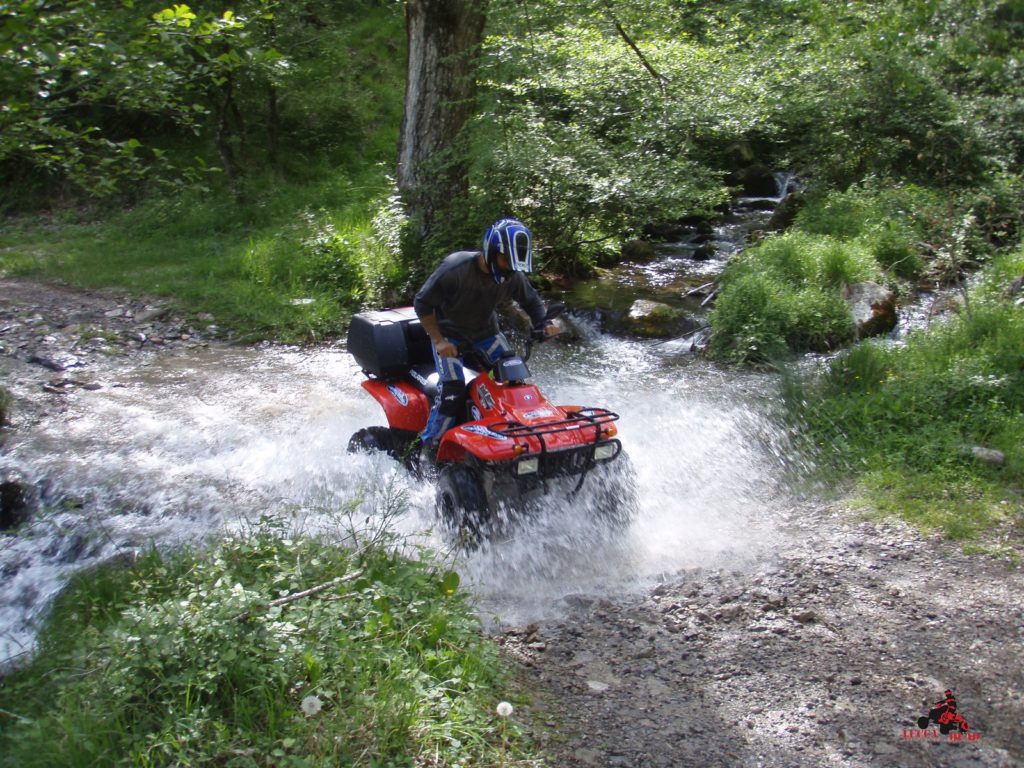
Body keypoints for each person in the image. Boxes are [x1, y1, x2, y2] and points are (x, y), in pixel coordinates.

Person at [413, 218, 556, 454]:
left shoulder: (511, 276)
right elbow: (422, 303)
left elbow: (530, 300)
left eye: (513, 262)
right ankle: (428, 447)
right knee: (452, 389)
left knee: (514, 377)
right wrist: (439, 340)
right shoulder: (455, 269)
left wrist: (544, 323)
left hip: (486, 333)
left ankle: (514, 437)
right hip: (449, 335)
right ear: (491, 251)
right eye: (505, 260)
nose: (509, 267)